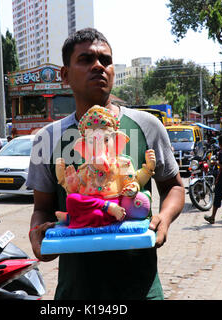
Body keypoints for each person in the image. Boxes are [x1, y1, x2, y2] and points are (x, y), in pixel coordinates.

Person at [27, 28, 185, 300]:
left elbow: (174, 187)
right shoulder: (47, 138)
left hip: (141, 289)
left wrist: (164, 218)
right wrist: (38, 236)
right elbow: (42, 208)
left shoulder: (147, 126)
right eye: (86, 59)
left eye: (106, 60)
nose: (98, 66)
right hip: (76, 291)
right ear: (65, 75)